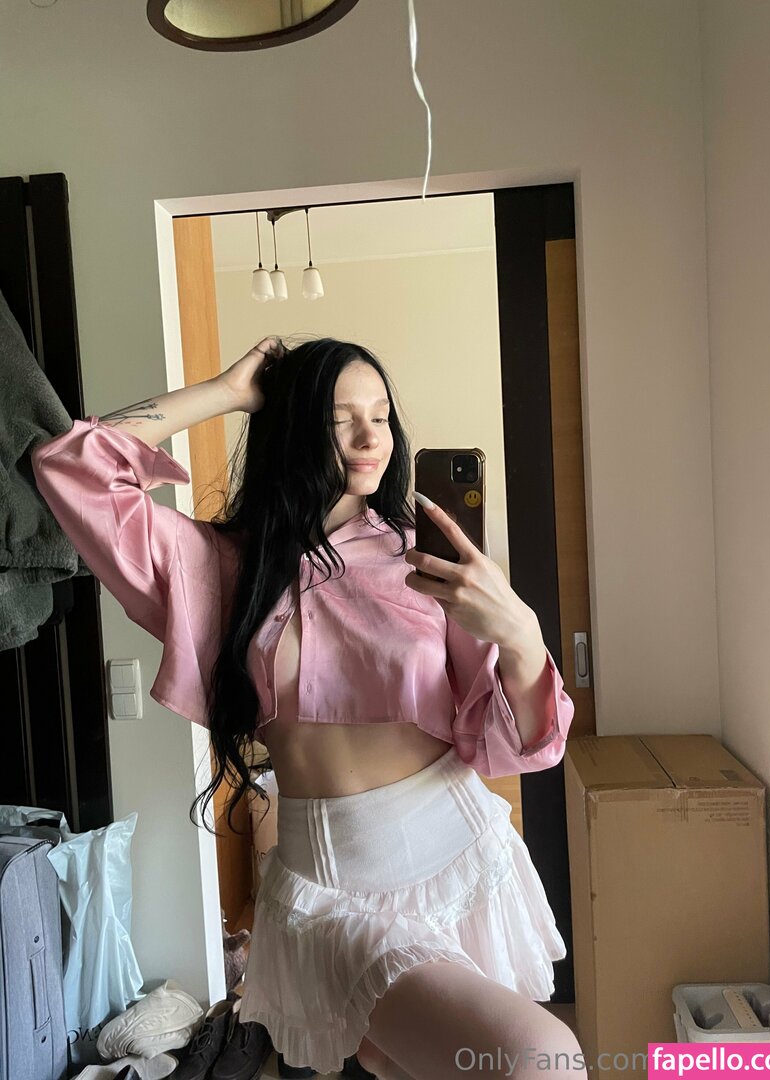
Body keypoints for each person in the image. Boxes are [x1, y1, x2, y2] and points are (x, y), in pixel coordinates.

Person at [30, 336, 584, 1079]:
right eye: (339, 419)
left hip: (456, 853)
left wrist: (521, 636)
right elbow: (70, 468)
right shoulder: (218, 567)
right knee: (541, 1057)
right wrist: (228, 392)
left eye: (381, 417)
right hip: (327, 892)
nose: (370, 438)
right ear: (291, 427)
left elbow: (519, 743)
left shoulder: (424, 558)